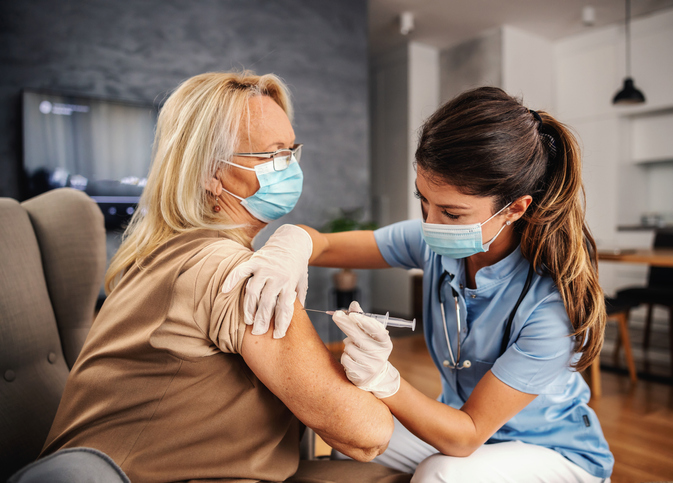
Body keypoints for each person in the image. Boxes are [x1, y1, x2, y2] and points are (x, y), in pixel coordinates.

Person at [39, 71, 412, 483]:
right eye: (273, 155)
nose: (289, 168)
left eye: (291, 151)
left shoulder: (159, 253)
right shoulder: (233, 272)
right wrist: (372, 374)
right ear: (210, 173)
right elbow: (367, 434)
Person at [227, 87, 615, 482]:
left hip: (549, 450)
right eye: (423, 201)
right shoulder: (438, 242)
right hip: (461, 428)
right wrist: (292, 243)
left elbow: (466, 437)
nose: (431, 224)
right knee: (344, 425)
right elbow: (325, 244)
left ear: (515, 208)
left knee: (440, 473)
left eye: (451, 212)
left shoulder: (551, 310)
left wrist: (384, 379)